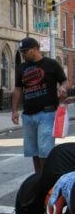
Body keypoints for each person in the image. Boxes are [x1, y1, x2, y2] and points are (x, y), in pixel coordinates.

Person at [12, 37, 68, 174]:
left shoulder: (51, 64)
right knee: (33, 151)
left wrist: (63, 88)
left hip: (47, 114)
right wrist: (14, 110)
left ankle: (45, 180)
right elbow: (18, 89)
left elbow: (64, 81)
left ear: (36, 49)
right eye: (21, 51)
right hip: (28, 115)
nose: (23, 54)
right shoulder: (21, 68)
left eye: (25, 51)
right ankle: (39, 178)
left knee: (45, 151)